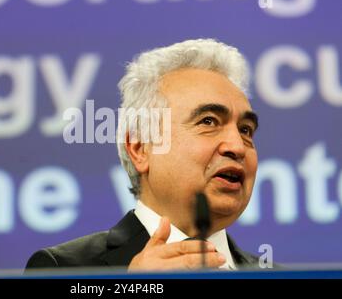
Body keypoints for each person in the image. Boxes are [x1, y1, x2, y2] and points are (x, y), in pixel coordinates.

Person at [25, 38, 267, 272]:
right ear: (141, 148)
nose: (237, 146)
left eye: (245, 130)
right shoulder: (64, 269)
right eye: (208, 121)